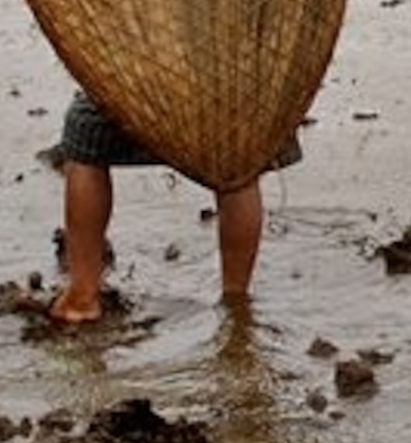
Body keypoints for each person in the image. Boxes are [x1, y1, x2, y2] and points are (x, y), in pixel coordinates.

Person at [48, 86, 282, 325]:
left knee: (85, 129)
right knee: (239, 155)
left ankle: (82, 298)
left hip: (153, 81)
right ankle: (236, 300)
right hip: (234, 83)